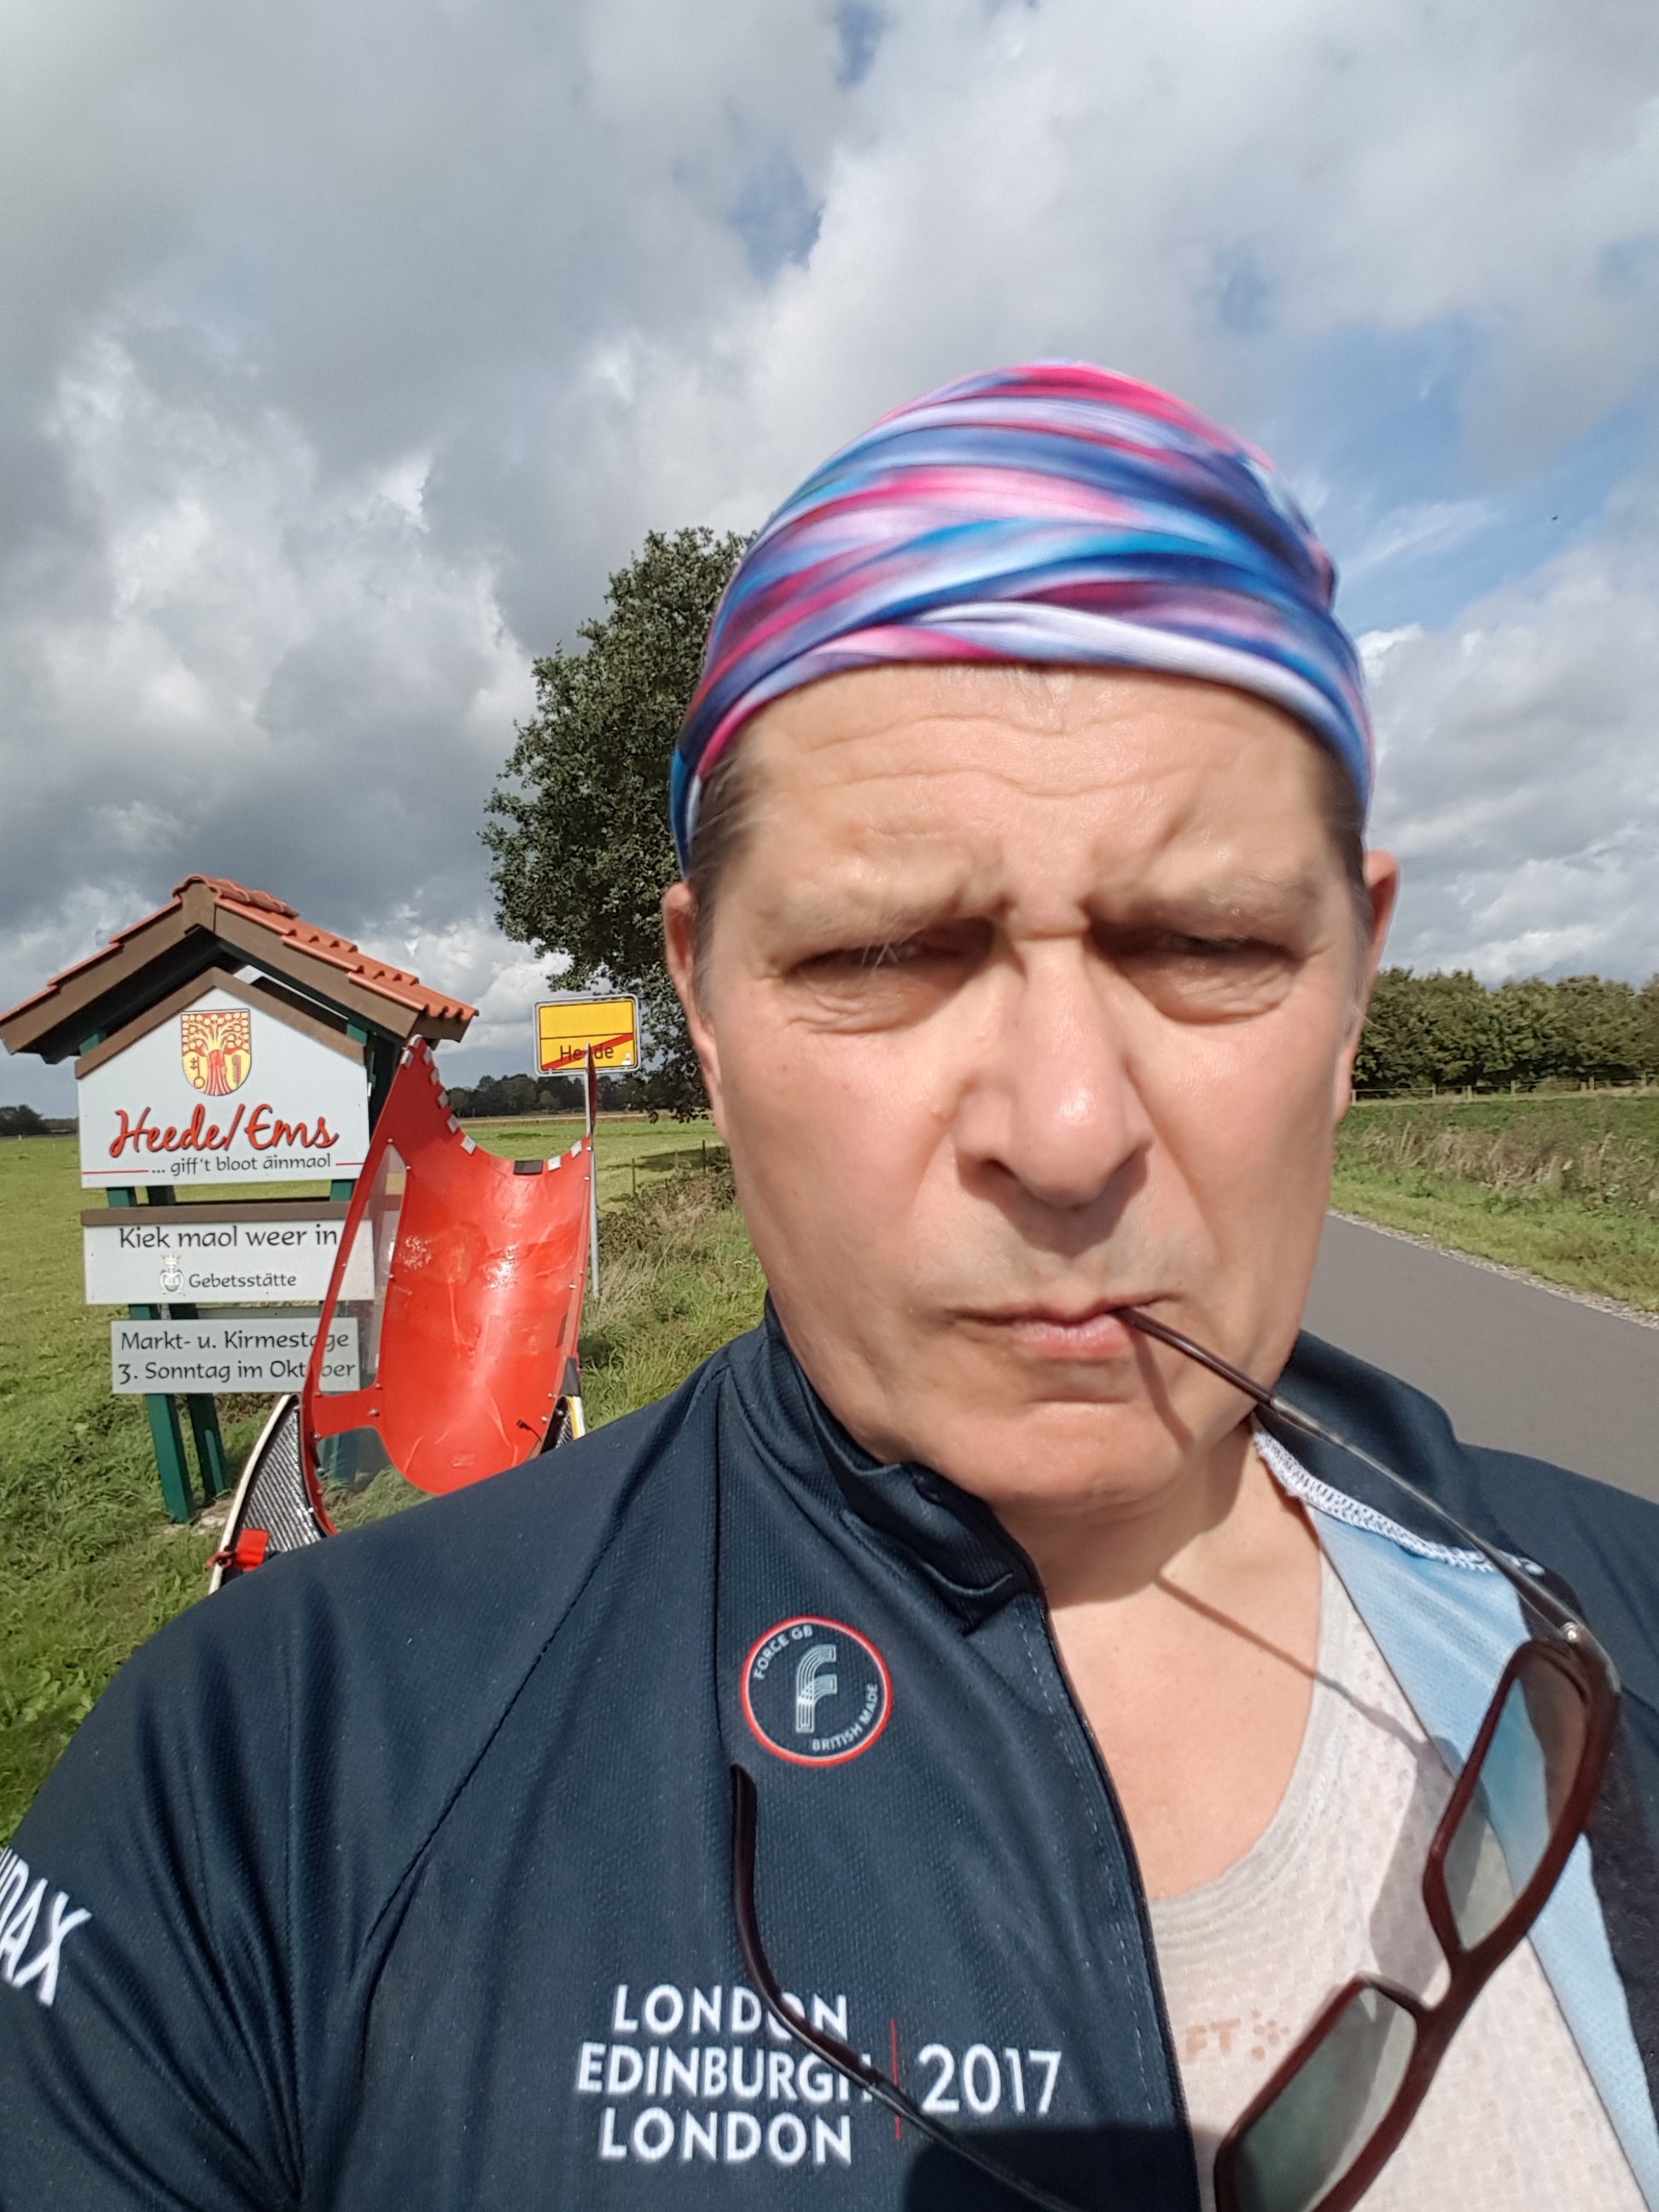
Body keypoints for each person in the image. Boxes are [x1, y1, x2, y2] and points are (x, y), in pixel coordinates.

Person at [2, 364, 1656, 2212]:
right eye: (880, 953)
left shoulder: (1635, 1617)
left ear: (1355, 984)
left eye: (1210, 944)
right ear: (704, 1005)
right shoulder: (278, 1773)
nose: (1066, 1131)